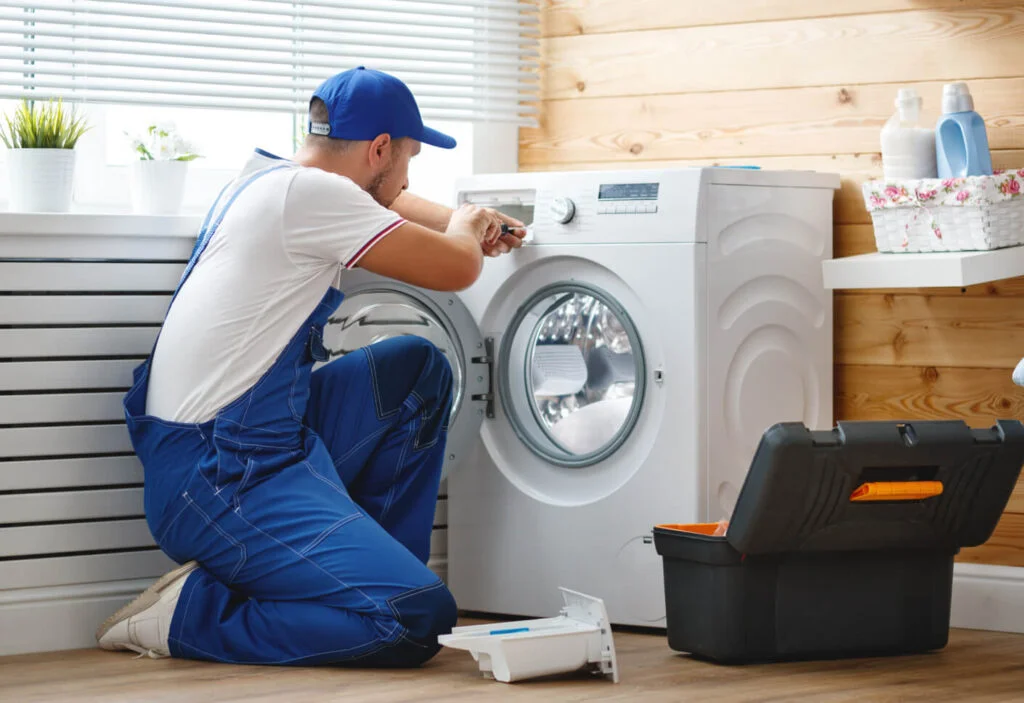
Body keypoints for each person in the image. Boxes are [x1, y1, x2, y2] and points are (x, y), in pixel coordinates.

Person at [94, 66, 525, 667]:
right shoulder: (318, 198)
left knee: (416, 371)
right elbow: (457, 269)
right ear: (378, 149)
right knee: (416, 619)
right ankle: (188, 615)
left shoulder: (271, 179)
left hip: (253, 442)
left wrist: (469, 219)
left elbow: (392, 201)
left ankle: (365, 574)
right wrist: (465, 232)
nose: (407, 176)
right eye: (408, 158)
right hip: (221, 478)